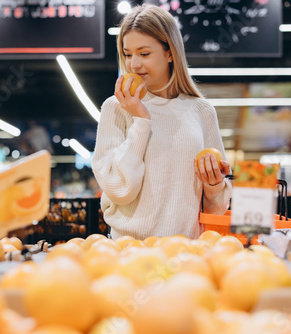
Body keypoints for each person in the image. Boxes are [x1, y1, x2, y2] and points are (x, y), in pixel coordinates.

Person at [91, 4, 232, 240]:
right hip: (127, 252)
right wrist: (141, 119)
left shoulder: (201, 111)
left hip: (185, 251)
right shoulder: (116, 107)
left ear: (170, 53)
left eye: (144, 53)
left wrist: (214, 184)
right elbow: (120, 189)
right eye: (127, 54)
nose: (134, 64)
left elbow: (215, 210)